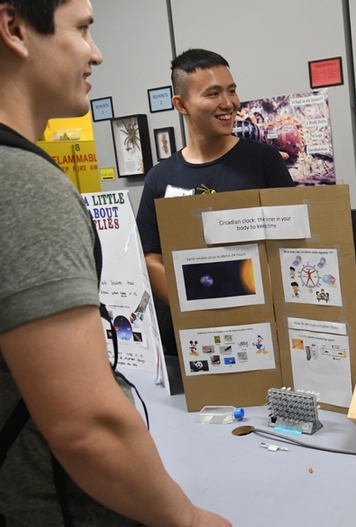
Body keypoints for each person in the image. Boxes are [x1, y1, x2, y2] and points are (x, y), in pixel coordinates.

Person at [0, 1, 231, 525]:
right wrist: (188, 519)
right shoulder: (24, 186)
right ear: (14, 28)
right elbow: (87, 424)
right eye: (81, 29)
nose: (96, 54)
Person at [136, 48, 294, 356]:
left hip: (259, 331)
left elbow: (291, 242)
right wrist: (191, 303)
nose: (228, 103)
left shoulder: (262, 161)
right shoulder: (161, 177)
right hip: (190, 338)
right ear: (180, 104)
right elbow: (150, 256)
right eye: (213, 94)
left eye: (231, 91)